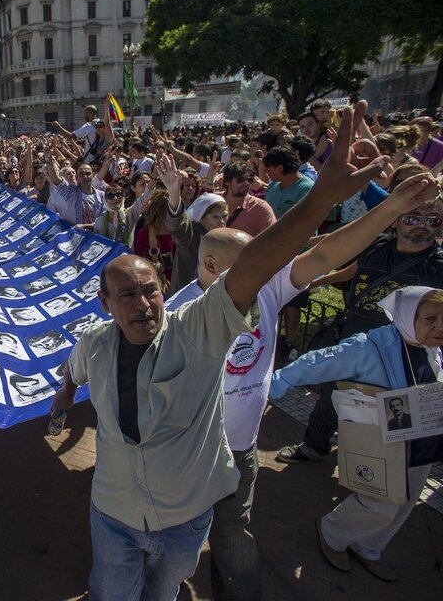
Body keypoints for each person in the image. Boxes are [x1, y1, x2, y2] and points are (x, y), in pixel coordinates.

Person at [49, 102, 391, 601]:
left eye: (152, 291)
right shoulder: (94, 346)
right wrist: (63, 396)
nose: (144, 304)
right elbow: (73, 372)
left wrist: (333, 200)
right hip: (115, 516)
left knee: (180, 579)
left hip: (193, 507)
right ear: (105, 304)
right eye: (127, 295)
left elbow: (280, 262)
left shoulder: (196, 328)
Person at [163, 171, 437, 600]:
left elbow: (326, 254)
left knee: (234, 532)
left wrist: (394, 208)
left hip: (240, 448)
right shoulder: (175, 315)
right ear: (212, 266)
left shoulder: (267, 287)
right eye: (250, 263)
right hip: (188, 451)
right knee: (178, 537)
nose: (264, 270)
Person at [270, 287, 443, 582]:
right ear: (405, 315)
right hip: (384, 442)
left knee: (406, 501)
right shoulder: (369, 347)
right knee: (381, 500)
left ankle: (369, 547)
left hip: (423, 441)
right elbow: (318, 362)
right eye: (430, 319)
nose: (440, 327)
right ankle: (333, 532)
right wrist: (265, 389)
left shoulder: (433, 348)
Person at [276, 193, 443, 463]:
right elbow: (337, 248)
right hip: (353, 338)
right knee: (331, 395)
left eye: (432, 220)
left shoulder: (439, 266)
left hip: (401, 357)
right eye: (412, 217)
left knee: (391, 415)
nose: (421, 225)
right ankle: (314, 445)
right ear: (396, 221)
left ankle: (378, 471)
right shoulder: (374, 245)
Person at [218, 162, 276, 236]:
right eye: (240, 179)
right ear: (227, 182)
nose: (246, 183)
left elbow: (273, 236)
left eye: (249, 179)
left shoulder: (259, 207)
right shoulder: (213, 201)